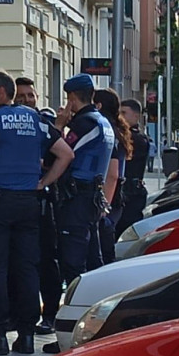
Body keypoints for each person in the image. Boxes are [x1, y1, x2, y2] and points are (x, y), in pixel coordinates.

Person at [0, 71, 73, 355]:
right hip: (29, 203)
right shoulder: (37, 120)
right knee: (27, 268)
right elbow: (66, 154)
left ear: (0, 92)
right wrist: (44, 182)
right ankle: (26, 335)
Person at [52, 74, 115, 286]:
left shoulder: (84, 123)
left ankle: (76, 309)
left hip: (77, 197)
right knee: (92, 256)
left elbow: (57, 155)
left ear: (71, 97)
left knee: (73, 259)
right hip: (93, 197)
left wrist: (59, 126)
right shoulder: (103, 122)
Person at [15, 78, 60, 335]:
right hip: (17, 202)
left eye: (30, 95)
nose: (26, 100)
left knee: (46, 261)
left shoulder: (44, 124)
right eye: (21, 96)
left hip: (43, 203)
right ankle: (22, 314)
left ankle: (50, 313)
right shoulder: (7, 123)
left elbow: (61, 156)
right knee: (20, 262)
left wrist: (44, 180)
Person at [92, 89, 133, 266]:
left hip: (109, 196)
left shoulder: (105, 129)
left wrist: (104, 207)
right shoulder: (117, 130)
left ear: (98, 106)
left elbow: (112, 174)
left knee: (102, 246)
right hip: (116, 196)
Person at [117, 99, 152, 236]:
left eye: (124, 113)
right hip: (124, 192)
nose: (120, 116)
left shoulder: (138, 139)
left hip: (132, 193)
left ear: (136, 116)